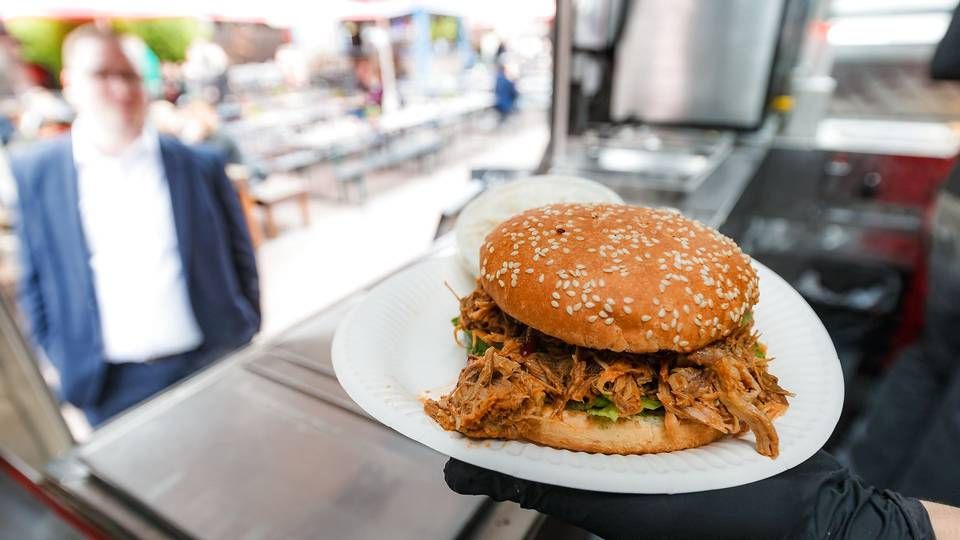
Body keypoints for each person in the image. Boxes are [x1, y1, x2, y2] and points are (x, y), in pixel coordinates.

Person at [10, 24, 259, 426]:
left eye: (129, 75)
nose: (121, 89)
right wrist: (61, 355)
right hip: (110, 387)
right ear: (71, 83)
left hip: (213, 358)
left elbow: (241, 254)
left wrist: (246, 324)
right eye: (103, 74)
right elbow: (36, 279)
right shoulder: (38, 173)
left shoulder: (199, 163)